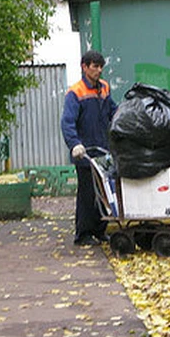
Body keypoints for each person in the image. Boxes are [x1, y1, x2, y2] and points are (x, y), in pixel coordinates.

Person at [60, 49, 118, 246]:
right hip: (84, 153)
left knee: (103, 193)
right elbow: (67, 122)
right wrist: (75, 144)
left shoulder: (104, 89)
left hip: (102, 150)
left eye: (100, 66)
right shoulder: (75, 92)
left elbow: (113, 111)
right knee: (87, 194)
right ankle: (83, 234)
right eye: (94, 66)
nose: (98, 70)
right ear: (84, 67)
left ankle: (100, 230)